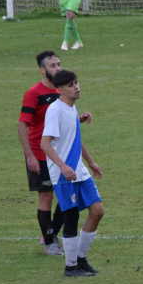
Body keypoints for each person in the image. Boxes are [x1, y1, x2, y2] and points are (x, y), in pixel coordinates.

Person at [17, 50, 89, 256]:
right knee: (47, 198)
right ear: (42, 70)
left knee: (67, 195)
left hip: (61, 155)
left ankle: (50, 234)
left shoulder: (62, 91)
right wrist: (29, 155)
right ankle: (49, 243)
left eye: (59, 64)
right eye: (52, 66)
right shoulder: (34, 93)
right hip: (40, 155)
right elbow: (23, 125)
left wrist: (79, 120)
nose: (58, 68)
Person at [40, 70, 104, 277]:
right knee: (71, 216)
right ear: (60, 90)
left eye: (76, 83)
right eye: (70, 85)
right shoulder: (54, 110)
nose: (76, 87)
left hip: (80, 171)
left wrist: (91, 162)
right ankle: (70, 267)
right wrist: (62, 166)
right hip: (64, 174)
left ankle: (81, 259)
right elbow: (45, 143)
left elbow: (73, 138)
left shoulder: (70, 108)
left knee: (97, 211)